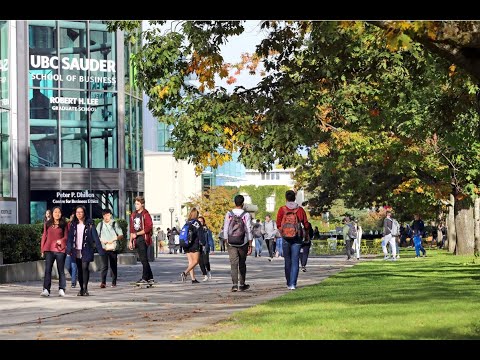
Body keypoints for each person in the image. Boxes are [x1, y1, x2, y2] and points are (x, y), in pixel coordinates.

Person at [66, 205, 105, 296]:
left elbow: (95, 237)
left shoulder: (89, 224)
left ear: (84, 213)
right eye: (77, 212)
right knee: (79, 269)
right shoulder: (73, 224)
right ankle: (81, 288)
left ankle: (85, 288)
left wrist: (100, 251)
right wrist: (68, 250)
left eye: (81, 212)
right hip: (76, 249)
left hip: (86, 249)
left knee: (85, 268)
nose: (79, 214)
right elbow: (70, 238)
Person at [276, 190, 309, 290]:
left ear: (286, 198)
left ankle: (288, 281)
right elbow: (306, 224)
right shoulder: (300, 210)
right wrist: (306, 234)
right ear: (294, 198)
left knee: (287, 260)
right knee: (295, 261)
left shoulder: (282, 209)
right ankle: (293, 284)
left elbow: (278, 223)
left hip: (285, 237)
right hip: (297, 238)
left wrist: (282, 231)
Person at [223, 194, 253, 292]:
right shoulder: (246, 215)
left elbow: (226, 227)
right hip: (242, 242)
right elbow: (248, 229)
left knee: (233, 263)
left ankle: (234, 284)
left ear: (234, 203)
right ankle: (242, 284)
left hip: (231, 242)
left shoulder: (229, 213)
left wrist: (226, 239)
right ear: (243, 203)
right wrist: (250, 243)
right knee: (242, 263)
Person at [40, 206, 68, 297]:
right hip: (49, 249)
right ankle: (46, 289)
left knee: (61, 270)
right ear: (52, 213)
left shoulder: (64, 224)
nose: (57, 214)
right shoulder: (47, 223)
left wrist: (61, 241)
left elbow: (66, 237)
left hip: (60, 250)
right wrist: (42, 249)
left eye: (59, 212)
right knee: (48, 270)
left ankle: (61, 289)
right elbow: (44, 236)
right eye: (55, 212)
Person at [129, 196, 154, 285]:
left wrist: (138, 234)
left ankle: (144, 277)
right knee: (143, 259)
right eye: (135, 204)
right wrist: (130, 240)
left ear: (142, 204)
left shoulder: (145, 214)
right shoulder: (133, 215)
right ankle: (150, 278)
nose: (136, 206)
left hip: (143, 238)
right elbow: (132, 229)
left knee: (143, 259)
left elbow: (148, 227)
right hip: (136, 239)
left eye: (138, 204)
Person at [97, 209, 124, 288]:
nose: (106, 217)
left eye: (108, 215)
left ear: (110, 215)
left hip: (113, 247)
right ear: (103, 216)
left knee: (113, 265)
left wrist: (113, 239)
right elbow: (96, 236)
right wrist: (102, 241)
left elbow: (121, 235)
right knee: (104, 266)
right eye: (105, 215)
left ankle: (114, 282)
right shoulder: (100, 224)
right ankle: (103, 282)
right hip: (104, 247)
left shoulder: (114, 223)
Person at [179, 208, 204, 284]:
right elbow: (200, 234)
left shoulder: (187, 223)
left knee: (191, 262)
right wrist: (204, 243)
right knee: (196, 261)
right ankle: (185, 273)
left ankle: (193, 279)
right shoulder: (196, 223)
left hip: (186, 244)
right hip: (194, 244)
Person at [198, 216, 215, 281]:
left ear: (203, 222)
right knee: (200, 262)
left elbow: (210, 239)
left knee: (206, 261)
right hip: (198, 248)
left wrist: (212, 248)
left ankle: (208, 271)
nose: (200, 223)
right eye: (199, 221)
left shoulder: (207, 230)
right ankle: (205, 275)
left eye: (201, 221)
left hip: (205, 247)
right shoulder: (195, 230)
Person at [65, 211, 77, 288]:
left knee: (73, 266)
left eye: (73, 217)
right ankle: (74, 275)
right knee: (67, 266)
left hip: (75, 249)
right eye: (71, 217)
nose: (72, 218)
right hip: (68, 249)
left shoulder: (78, 226)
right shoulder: (67, 226)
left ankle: (73, 281)